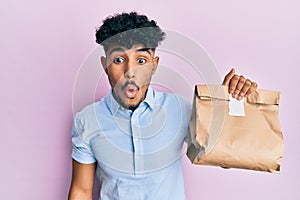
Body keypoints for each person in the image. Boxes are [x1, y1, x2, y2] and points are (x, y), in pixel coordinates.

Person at [68, 12, 257, 200]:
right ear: (105, 65)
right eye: (118, 60)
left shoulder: (180, 109)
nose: (130, 72)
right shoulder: (87, 120)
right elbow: (81, 191)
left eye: (141, 61)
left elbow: (220, 155)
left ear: (154, 65)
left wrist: (230, 100)